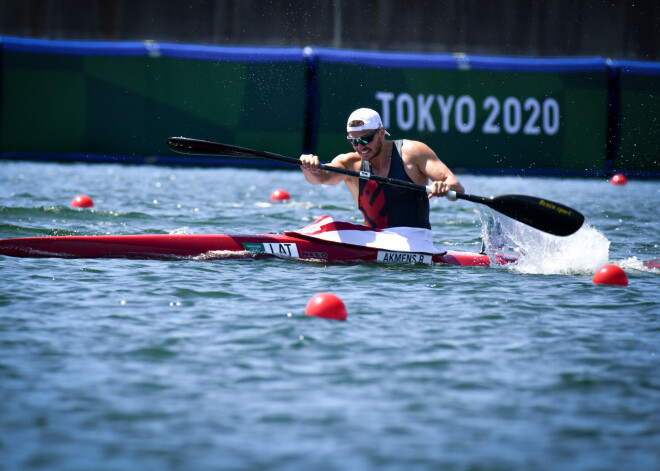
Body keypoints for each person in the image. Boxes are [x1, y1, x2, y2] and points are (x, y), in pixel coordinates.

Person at [300, 108, 465, 229]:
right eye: (353, 141)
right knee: (328, 224)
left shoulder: (412, 153)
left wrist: (444, 187)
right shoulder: (350, 163)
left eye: (365, 139)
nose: (360, 147)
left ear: (381, 133)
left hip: (416, 242)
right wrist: (309, 167)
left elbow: (457, 189)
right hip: (376, 243)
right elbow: (320, 178)